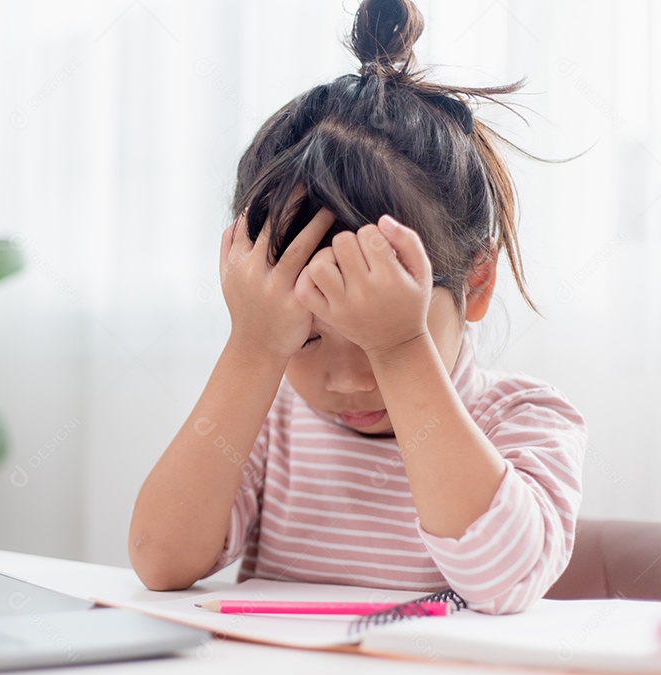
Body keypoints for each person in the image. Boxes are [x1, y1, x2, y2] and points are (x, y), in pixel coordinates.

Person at [128, 0, 586, 615]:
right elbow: (161, 561)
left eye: (375, 335)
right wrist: (253, 348)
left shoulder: (524, 420)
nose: (347, 381)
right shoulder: (270, 419)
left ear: (475, 285)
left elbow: (505, 581)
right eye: (307, 340)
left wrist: (402, 353)